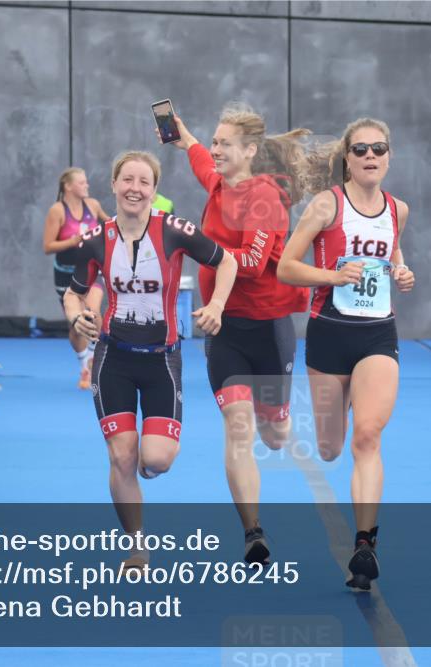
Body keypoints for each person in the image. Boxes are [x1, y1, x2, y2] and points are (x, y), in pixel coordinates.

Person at [63, 151, 236, 568]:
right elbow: (73, 291)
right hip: (113, 359)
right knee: (121, 456)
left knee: (155, 460)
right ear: (114, 185)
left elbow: (226, 260)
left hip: (162, 361)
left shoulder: (175, 231)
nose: (134, 189)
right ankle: (136, 546)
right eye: (127, 180)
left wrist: (216, 307)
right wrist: (77, 317)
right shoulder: (94, 240)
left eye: (144, 182)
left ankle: (147, 461)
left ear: (155, 191)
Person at [166, 105, 309, 564]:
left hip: (268, 328)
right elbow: (200, 161)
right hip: (223, 329)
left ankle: (282, 411)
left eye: (225, 143)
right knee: (238, 427)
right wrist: (184, 136)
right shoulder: (217, 183)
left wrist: (198, 245)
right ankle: (253, 532)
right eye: (215, 140)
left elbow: (247, 262)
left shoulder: (265, 197)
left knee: (275, 434)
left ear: (249, 151)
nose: (215, 149)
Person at [277, 118, 415, 590]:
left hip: (377, 334)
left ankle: (365, 545)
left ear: (389, 156)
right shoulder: (326, 205)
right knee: (331, 447)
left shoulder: (398, 209)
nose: (371, 156)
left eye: (379, 148)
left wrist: (402, 271)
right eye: (361, 150)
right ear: (347, 160)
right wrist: (334, 277)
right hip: (329, 334)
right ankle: (343, 407)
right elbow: (286, 268)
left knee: (368, 438)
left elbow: (392, 255)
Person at [43, 167, 110, 389]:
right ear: (68, 186)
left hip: (91, 269)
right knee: (77, 322)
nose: (86, 186)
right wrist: (73, 241)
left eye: (86, 182)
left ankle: (92, 359)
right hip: (66, 273)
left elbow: (110, 224)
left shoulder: (93, 205)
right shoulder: (57, 211)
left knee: (93, 312)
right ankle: (83, 365)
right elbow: (48, 246)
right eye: (81, 182)